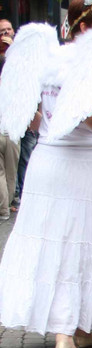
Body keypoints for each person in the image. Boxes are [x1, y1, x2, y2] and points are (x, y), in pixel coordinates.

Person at [0, 0, 92, 348]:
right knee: (82, 243)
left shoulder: (47, 56)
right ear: (85, 28)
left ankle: (76, 328)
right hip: (82, 164)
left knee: (54, 241)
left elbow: (36, 119)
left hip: (47, 159)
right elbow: (91, 113)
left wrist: (52, 128)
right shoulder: (90, 60)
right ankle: (66, 333)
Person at [0, 19, 18, 219]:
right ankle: (5, 209)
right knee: (7, 172)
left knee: (7, 171)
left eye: (8, 29)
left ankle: (4, 208)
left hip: (14, 125)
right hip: (10, 125)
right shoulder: (16, 61)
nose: (5, 33)